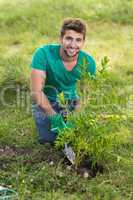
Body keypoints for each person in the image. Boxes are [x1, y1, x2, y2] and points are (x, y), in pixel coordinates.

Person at [30, 18, 96, 144]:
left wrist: (75, 118)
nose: (73, 45)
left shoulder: (88, 62)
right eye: (69, 38)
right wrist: (53, 116)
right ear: (61, 39)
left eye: (78, 40)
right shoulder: (43, 53)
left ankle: (68, 123)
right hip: (47, 100)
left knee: (77, 136)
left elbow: (85, 95)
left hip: (71, 101)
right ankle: (53, 121)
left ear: (83, 42)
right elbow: (36, 91)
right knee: (49, 139)